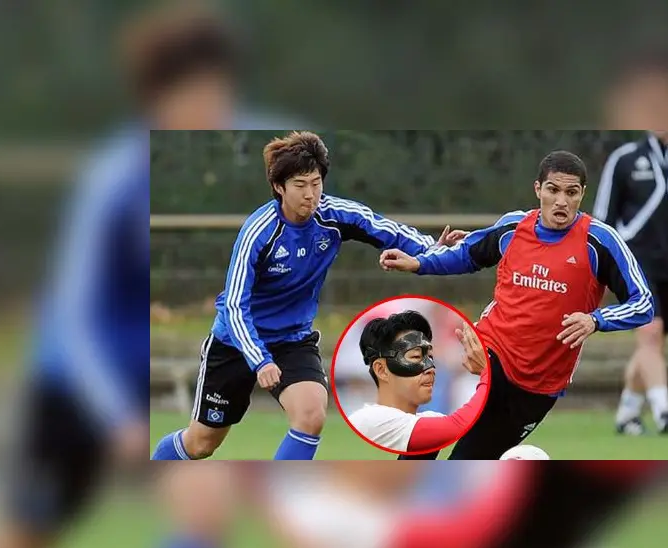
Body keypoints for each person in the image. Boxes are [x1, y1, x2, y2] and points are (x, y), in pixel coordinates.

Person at [0, 3, 300, 548]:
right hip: (77, 384)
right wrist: (115, 416)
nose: (211, 110)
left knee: (204, 512)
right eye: (194, 97)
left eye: (219, 93)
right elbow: (76, 316)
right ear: (157, 101)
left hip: (158, 379)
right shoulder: (114, 180)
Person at [151, 131, 465, 462]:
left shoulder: (334, 215)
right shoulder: (259, 232)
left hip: (292, 340)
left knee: (311, 416)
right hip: (237, 343)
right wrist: (259, 359)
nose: (310, 194)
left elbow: (385, 229)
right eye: (300, 185)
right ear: (279, 187)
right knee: (201, 443)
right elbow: (233, 305)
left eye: (316, 183)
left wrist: (430, 248)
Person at [380, 150, 654, 459]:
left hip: (535, 387)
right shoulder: (513, 228)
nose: (561, 201)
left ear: (582, 194)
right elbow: (467, 254)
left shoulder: (600, 242)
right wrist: (418, 262)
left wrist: (596, 320)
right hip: (487, 354)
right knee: (427, 437)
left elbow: (643, 302)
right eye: (553, 190)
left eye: (571, 192)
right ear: (538, 189)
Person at [591, 130, 668, 436]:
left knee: (653, 344)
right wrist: (603, 267)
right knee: (650, 333)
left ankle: (627, 413)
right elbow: (602, 219)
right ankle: (664, 412)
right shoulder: (624, 160)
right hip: (634, 264)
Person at [347, 311, 488, 458]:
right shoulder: (371, 419)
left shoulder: (426, 418)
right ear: (381, 370)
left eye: (430, 357)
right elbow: (458, 424)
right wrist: (487, 371)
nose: (430, 368)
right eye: (415, 357)